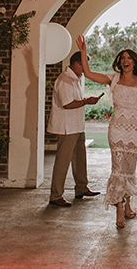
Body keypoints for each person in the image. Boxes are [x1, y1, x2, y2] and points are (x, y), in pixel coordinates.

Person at [76, 35, 137, 228]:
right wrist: (83, 51)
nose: (125, 61)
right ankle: (119, 208)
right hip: (116, 128)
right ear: (119, 63)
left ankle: (129, 204)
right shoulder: (112, 79)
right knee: (118, 168)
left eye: (128, 59)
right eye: (122, 59)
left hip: (134, 128)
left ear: (134, 62)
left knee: (129, 169)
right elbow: (88, 74)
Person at [48, 51, 102, 207]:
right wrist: (87, 101)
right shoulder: (65, 80)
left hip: (77, 126)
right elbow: (67, 104)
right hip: (67, 127)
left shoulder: (74, 79)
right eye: (84, 65)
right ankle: (55, 195)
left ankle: (81, 188)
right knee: (62, 162)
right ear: (77, 64)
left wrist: (85, 101)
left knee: (80, 158)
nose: (86, 69)